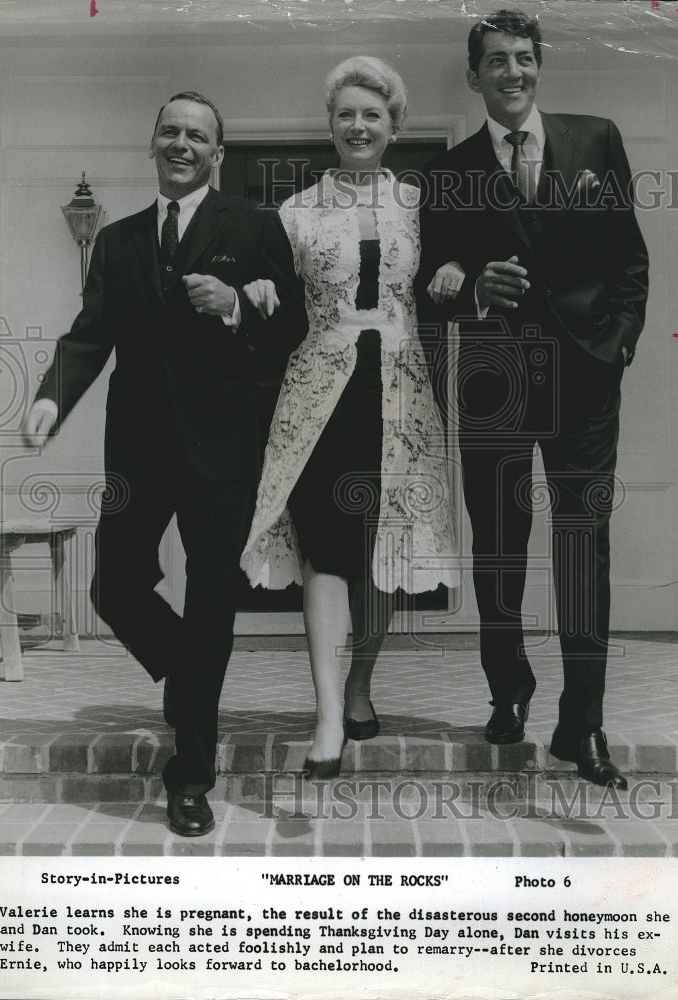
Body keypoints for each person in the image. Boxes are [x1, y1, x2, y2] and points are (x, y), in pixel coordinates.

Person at [22, 91, 308, 836]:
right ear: (153, 144)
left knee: (211, 600)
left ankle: (191, 775)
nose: (182, 143)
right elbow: (90, 337)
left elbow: (295, 331)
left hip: (222, 451)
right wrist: (53, 399)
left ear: (218, 152)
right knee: (114, 581)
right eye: (170, 132)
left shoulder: (254, 226)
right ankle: (189, 669)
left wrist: (239, 309)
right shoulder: (116, 241)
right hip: (139, 448)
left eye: (198, 135)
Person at [417, 10, 648, 789]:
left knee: (584, 546)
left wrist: (616, 346)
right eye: (496, 62)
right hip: (494, 380)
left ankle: (582, 725)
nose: (511, 73)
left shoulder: (596, 141)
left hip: (585, 378)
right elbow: (430, 288)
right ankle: (507, 688)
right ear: (474, 76)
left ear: (539, 66)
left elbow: (630, 263)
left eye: (523, 59)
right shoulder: (448, 173)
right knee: (500, 548)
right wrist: (472, 290)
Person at [239, 57, 459, 779]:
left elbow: (447, 284)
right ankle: (329, 715)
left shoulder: (424, 203)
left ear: (394, 126)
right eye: (346, 115)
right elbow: (270, 310)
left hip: (398, 393)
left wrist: (454, 280)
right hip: (318, 393)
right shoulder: (295, 212)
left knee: (382, 551)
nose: (358, 126)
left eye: (373, 114)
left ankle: (361, 685)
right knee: (327, 551)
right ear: (330, 126)